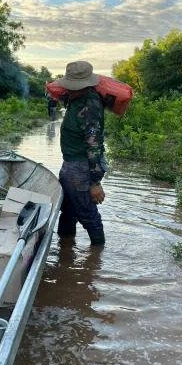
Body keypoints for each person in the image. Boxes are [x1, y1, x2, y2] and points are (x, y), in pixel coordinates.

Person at [57, 60, 107, 246]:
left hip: (81, 168)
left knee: (88, 215)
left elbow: (94, 146)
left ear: (85, 86)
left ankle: (97, 256)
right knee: (68, 210)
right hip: (70, 165)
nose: (69, 89)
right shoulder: (76, 98)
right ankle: (65, 249)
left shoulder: (90, 108)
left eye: (73, 86)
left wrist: (95, 183)